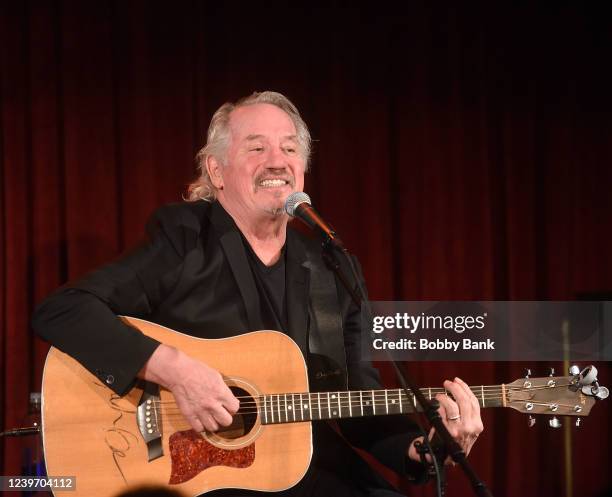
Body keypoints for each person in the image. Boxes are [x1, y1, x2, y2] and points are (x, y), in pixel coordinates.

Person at [32, 91, 483, 496]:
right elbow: (62, 310)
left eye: (289, 149)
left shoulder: (331, 265)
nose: (277, 161)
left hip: (304, 468)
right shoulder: (185, 239)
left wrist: (425, 449)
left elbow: (357, 398)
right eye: (256, 147)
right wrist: (174, 369)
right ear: (216, 170)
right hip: (199, 475)